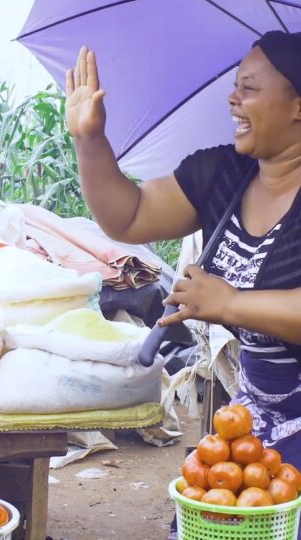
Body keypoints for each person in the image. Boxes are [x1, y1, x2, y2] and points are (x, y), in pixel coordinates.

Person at [65, 30, 301, 537]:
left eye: (251, 88)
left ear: (298, 106)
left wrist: (232, 302)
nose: (233, 99)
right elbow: (129, 217)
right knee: (214, 522)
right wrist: (90, 140)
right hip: (259, 409)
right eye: (235, 86)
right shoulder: (224, 172)